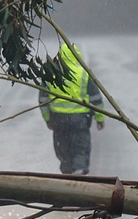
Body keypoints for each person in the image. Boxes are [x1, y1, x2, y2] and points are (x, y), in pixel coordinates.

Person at [38, 43, 105, 175]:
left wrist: (47, 119)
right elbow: (96, 98)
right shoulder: (84, 74)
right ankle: (79, 173)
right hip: (80, 120)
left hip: (59, 120)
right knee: (80, 148)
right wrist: (100, 118)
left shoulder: (52, 73)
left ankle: (67, 174)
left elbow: (42, 100)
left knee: (63, 149)